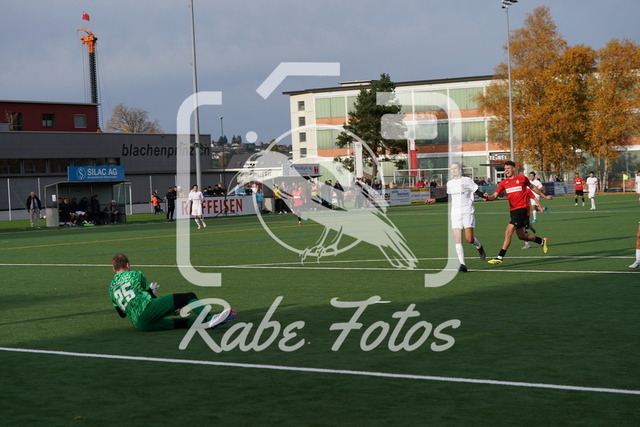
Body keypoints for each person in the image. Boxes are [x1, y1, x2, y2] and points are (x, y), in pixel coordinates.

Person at [108, 254, 236, 332]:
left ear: (114, 269)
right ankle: (210, 319)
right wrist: (151, 292)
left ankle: (208, 324)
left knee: (183, 323)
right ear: (128, 265)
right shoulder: (135, 274)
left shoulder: (111, 288)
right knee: (189, 296)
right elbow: (150, 297)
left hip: (141, 325)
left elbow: (122, 314)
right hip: (147, 311)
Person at [483, 161, 552, 265]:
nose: (506, 170)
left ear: (514, 169)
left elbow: (532, 187)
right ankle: (542, 241)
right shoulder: (503, 183)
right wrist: (488, 198)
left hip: (522, 209)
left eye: (508, 168)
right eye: (505, 169)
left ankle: (500, 257)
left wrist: (544, 196)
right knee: (521, 236)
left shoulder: (522, 178)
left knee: (508, 231)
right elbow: (494, 196)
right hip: (513, 211)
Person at [445, 162, 487, 272]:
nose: (453, 170)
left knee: (469, 239)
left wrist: (484, 196)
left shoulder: (467, 180)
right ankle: (462, 264)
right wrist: (434, 199)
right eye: (452, 168)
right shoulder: (449, 183)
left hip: (467, 212)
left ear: (460, 169)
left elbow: (477, 192)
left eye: (455, 168)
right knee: (458, 239)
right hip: (455, 214)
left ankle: (479, 246)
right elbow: (447, 197)